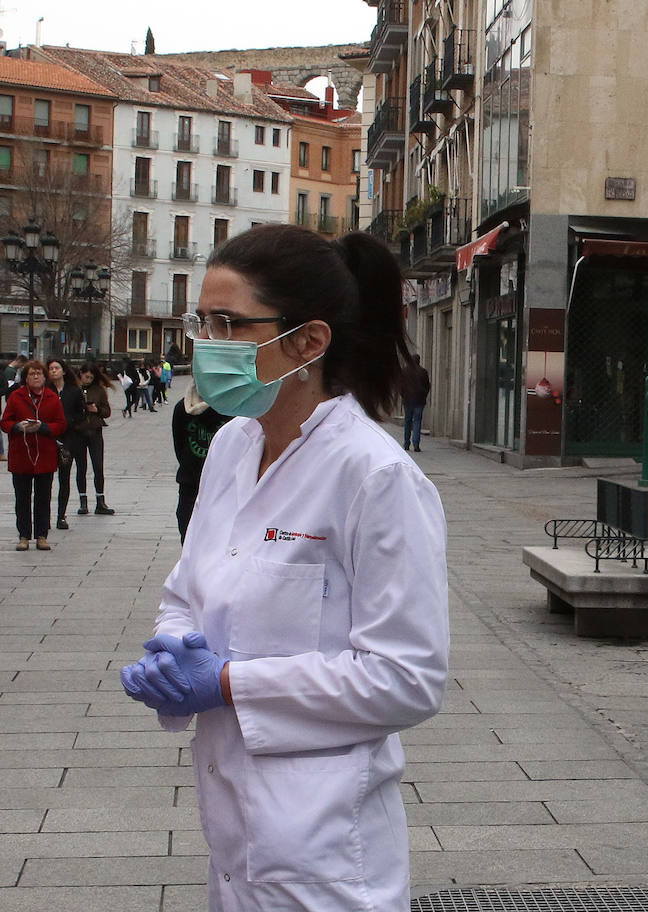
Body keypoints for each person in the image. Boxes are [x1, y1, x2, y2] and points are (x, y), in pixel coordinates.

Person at [118, 224, 449, 909]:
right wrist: (173, 649)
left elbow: (407, 678)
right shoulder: (234, 446)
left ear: (308, 342)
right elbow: (189, 586)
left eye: (229, 324)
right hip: (232, 828)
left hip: (325, 849)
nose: (205, 342)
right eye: (200, 321)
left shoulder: (375, 475)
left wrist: (232, 682)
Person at [0, 360, 67, 550]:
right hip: (21, 455)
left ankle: (41, 535)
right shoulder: (16, 397)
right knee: (22, 497)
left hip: (44, 455)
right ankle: (23, 535)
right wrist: (17, 426)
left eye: (39, 373)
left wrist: (43, 427)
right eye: (31, 374)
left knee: (43, 498)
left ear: (45, 377)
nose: (36, 377)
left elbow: (61, 425)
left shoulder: (52, 398)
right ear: (26, 378)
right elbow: (5, 422)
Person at [171, 377, 230, 541]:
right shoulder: (181, 409)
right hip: (191, 486)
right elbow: (180, 445)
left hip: (224, 488)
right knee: (188, 538)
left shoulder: (233, 408)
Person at [72, 362, 116, 517]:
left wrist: (97, 410)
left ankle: (100, 500)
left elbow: (107, 411)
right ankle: (83, 500)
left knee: (98, 466)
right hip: (79, 432)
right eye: (86, 376)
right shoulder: (75, 390)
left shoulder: (99, 390)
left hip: (95, 432)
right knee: (81, 467)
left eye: (91, 377)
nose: (88, 379)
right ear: (80, 374)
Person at [47, 359, 84, 530]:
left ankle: (61, 515)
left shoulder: (74, 391)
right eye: (51, 368)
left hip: (68, 440)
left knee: (64, 477)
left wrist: (70, 423)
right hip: (48, 438)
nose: (53, 371)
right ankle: (44, 515)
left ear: (63, 371)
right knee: (45, 479)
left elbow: (80, 414)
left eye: (56, 368)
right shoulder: (45, 391)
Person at [400, 355, 430, 452]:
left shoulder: (404, 371)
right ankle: (416, 444)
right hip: (419, 401)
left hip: (408, 400)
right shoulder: (423, 372)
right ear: (419, 361)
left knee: (407, 421)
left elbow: (400, 386)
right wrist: (424, 395)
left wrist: (403, 395)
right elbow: (427, 386)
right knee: (417, 421)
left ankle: (406, 444)